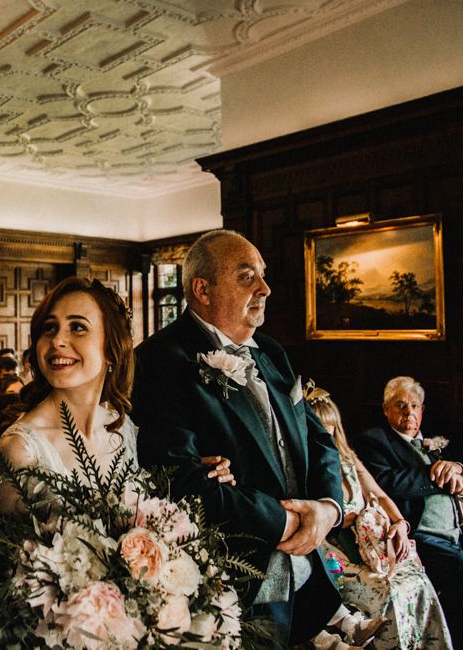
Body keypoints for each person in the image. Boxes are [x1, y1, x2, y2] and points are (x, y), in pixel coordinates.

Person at [131, 229, 372, 648]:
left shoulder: (271, 353)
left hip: (307, 570)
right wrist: (286, 521)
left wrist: (328, 509)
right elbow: (180, 480)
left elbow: (319, 440)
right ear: (202, 290)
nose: (265, 288)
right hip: (236, 581)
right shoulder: (159, 362)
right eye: (247, 277)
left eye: (262, 275)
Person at [0, 277, 233, 515]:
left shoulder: (122, 427)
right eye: (49, 328)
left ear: (111, 350)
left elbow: (147, 501)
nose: (57, 341)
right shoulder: (20, 449)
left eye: (78, 327)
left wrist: (200, 473)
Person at [306, 382, 451, 650]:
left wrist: (399, 524)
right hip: (337, 550)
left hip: (370, 543)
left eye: (331, 427)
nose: (326, 433)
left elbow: (380, 494)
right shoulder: (307, 467)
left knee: (417, 580)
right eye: (319, 428)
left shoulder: (349, 459)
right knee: (387, 589)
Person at [355, 376, 463, 648]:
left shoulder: (441, 441)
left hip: (456, 533)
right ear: (386, 409)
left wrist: (457, 468)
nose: (409, 412)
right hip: (422, 537)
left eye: (414, 406)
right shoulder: (375, 440)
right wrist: (432, 474)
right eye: (400, 405)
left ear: (423, 410)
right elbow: (387, 484)